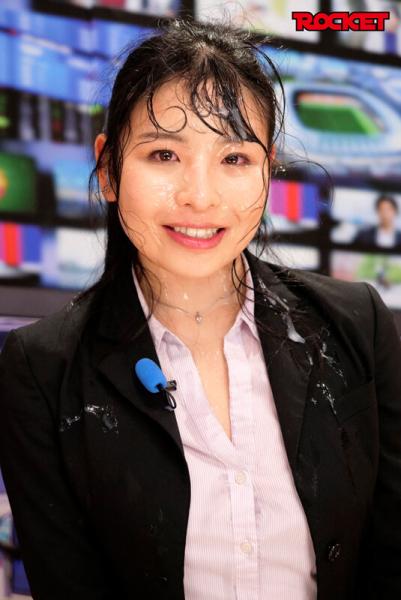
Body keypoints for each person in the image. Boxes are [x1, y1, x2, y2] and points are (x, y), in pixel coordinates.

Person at [0, 17, 401, 600]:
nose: (200, 196)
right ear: (108, 169)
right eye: (164, 153)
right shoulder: (42, 370)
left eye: (234, 159)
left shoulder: (358, 324)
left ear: (267, 170)